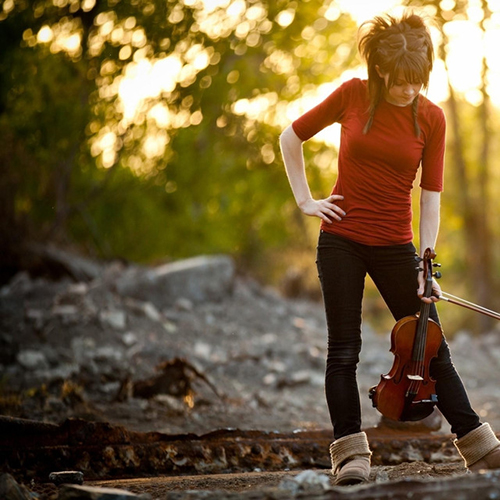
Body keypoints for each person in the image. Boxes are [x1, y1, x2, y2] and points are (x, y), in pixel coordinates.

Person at [279, 11, 500, 486]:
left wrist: (428, 262)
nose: (409, 91)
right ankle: (351, 457)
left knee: (432, 349)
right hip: (340, 241)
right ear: (381, 71)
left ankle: (481, 448)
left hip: (397, 245)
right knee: (343, 351)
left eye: (417, 82)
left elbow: (431, 196)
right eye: (401, 82)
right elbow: (290, 136)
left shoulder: (432, 117)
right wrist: (306, 200)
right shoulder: (353, 95)